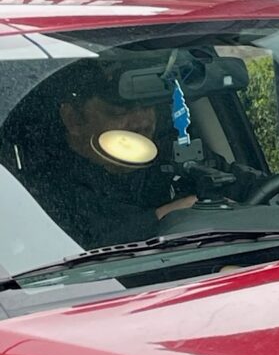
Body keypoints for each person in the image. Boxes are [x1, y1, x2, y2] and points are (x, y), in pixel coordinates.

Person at [15, 64, 197, 250]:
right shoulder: (40, 187)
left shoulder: (177, 158)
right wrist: (162, 216)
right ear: (73, 119)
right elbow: (75, 251)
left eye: (148, 107)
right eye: (120, 112)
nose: (142, 122)